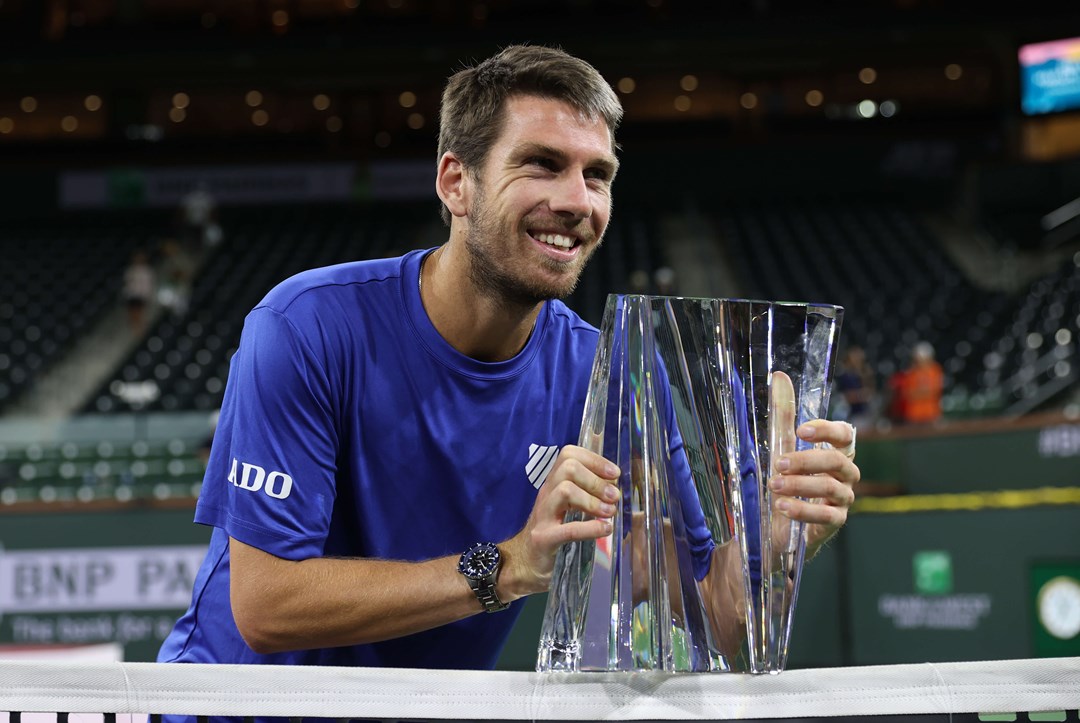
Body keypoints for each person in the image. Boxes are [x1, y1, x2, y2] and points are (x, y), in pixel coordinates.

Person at [158, 45, 859, 673]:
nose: (577, 201)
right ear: (455, 182)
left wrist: (782, 531)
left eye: (598, 174)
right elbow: (267, 605)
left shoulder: (605, 372)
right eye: (543, 164)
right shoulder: (308, 325)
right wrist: (510, 564)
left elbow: (718, 617)